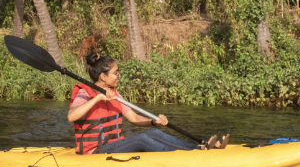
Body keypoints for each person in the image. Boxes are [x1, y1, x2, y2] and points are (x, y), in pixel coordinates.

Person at [68, 53, 228, 155]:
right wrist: (97, 99)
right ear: (103, 77)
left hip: (113, 144)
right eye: (115, 72)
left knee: (153, 133)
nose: (119, 75)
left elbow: (134, 118)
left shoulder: (115, 95)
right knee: (141, 139)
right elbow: (71, 116)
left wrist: (153, 121)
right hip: (95, 151)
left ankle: (199, 149)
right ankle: (194, 155)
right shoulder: (85, 93)